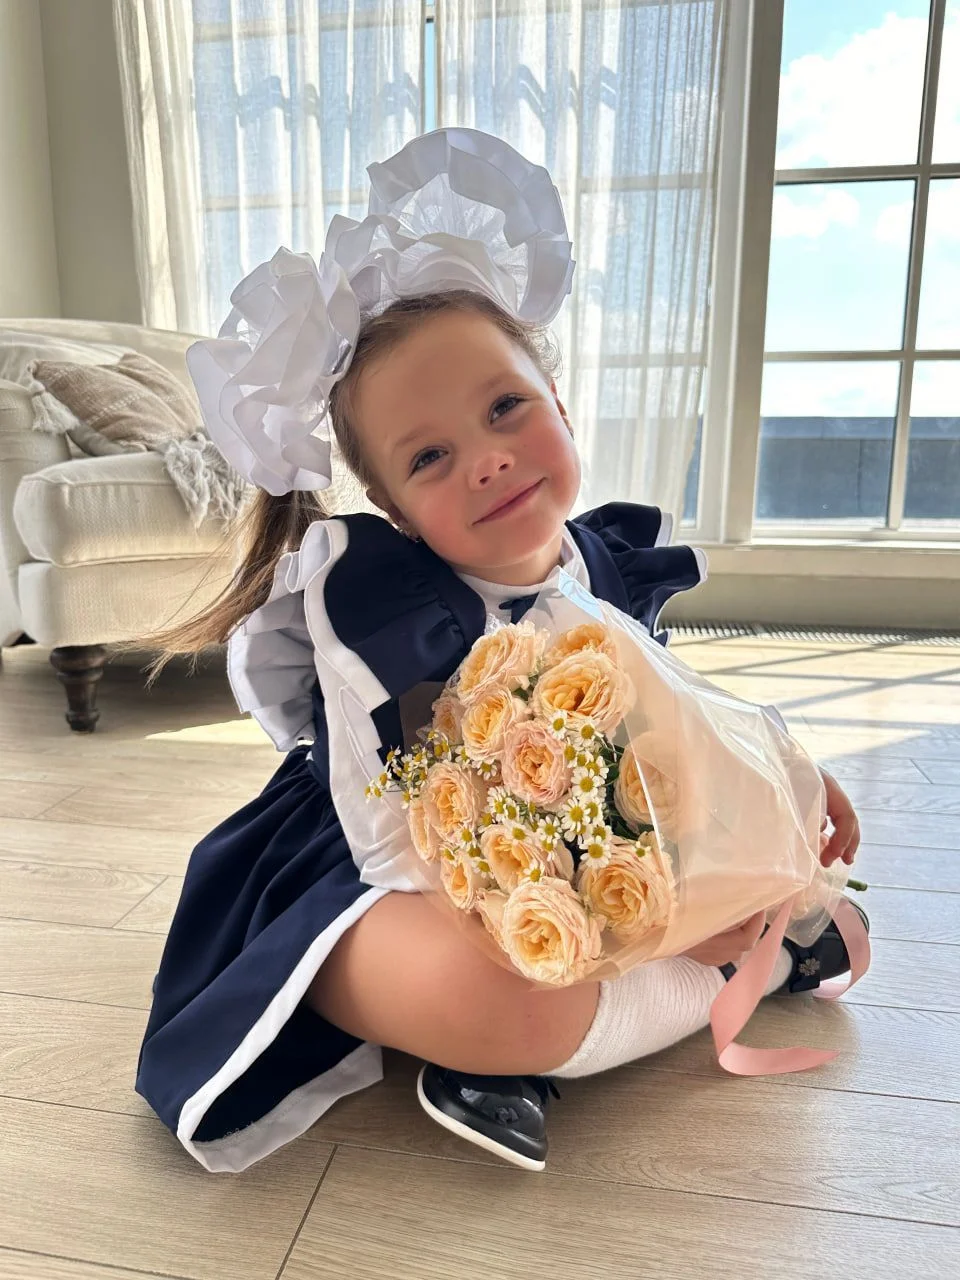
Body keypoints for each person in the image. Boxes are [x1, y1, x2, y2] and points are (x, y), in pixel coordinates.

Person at [136, 128, 867, 1175]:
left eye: (505, 408)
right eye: (431, 457)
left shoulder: (600, 560)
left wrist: (780, 778)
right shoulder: (387, 610)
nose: (486, 460)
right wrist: (661, 922)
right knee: (509, 992)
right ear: (395, 509)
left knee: (784, 851)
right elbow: (398, 845)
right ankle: (585, 1019)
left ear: (559, 404)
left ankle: (634, 998)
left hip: (584, 848)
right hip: (409, 864)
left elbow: (677, 723)